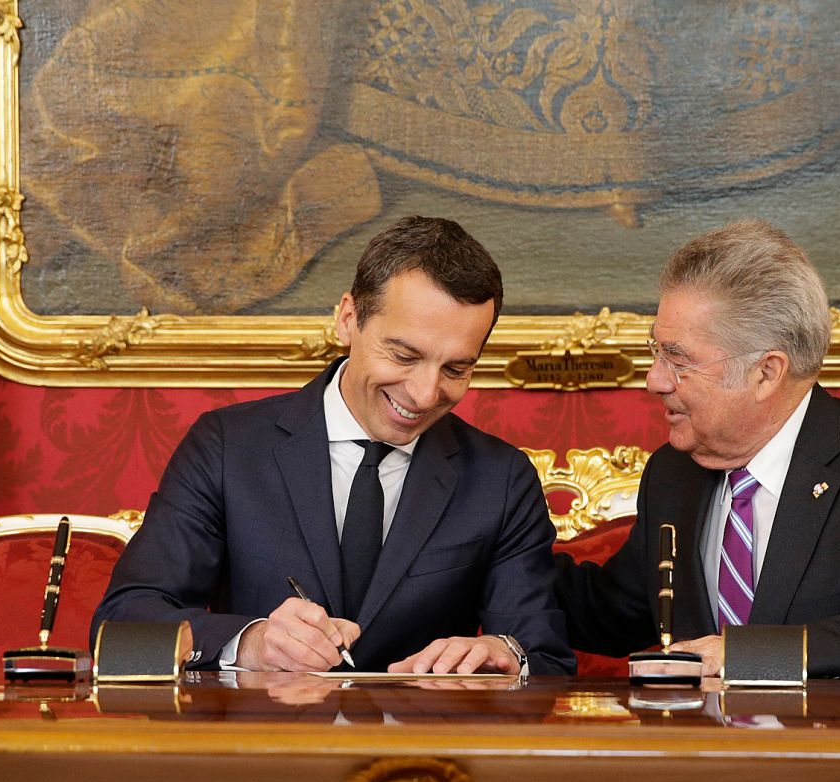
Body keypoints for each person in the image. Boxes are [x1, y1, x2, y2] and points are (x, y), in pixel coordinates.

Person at [94, 216, 574, 675]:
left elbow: (544, 657)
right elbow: (121, 629)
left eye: (456, 369)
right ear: (348, 319)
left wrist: (505, 653)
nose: (426, 394)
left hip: (424, 755)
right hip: (260, 744)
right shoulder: (226, 447)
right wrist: (250, 642)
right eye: (404, 355)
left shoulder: (500, 477)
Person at [554, 220, 840, 679]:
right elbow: (612, 612)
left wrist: (759, 653)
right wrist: (491, 544)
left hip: (828, 746)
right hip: (700, 748)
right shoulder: (674, 473)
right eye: (656, 351)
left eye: (678, 359)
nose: (655, 380)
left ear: (766, 373)